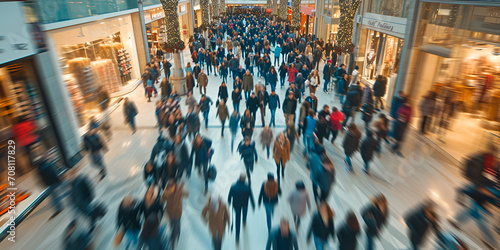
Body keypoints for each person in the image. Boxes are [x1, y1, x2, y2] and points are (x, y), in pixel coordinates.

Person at [227, 174, 256, 245]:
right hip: (245, 204)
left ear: (239, 178)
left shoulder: (233, 186)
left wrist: (230, 202)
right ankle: (244, 220)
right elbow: (251, 196)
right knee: (245, 212)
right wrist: (253, 205)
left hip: (236, 206)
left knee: (237, 220)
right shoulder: (247, 187)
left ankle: (237, 236)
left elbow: (229, 197)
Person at [35, 153, 64, 219]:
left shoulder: (39, 168)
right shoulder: (48, 164)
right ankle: (59, 208)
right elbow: (54, 172)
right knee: (56, 195)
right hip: (54, 181)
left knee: (54, 196)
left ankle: (58, 208)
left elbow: (41, 177)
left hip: (49, 183)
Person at [161, 180, 189, 250]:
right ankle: (172, 244)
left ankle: (173, 242)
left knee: (177, 230)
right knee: (173, 228)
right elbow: (161, 200)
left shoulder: (179, 192)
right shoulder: (166, 193)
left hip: (177, 213)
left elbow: (187, 194)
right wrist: (164, 193)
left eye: (172, 187)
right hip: (170, 213)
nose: (171, 189)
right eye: (169, 188)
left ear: (175, 186)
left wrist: (181, 188)